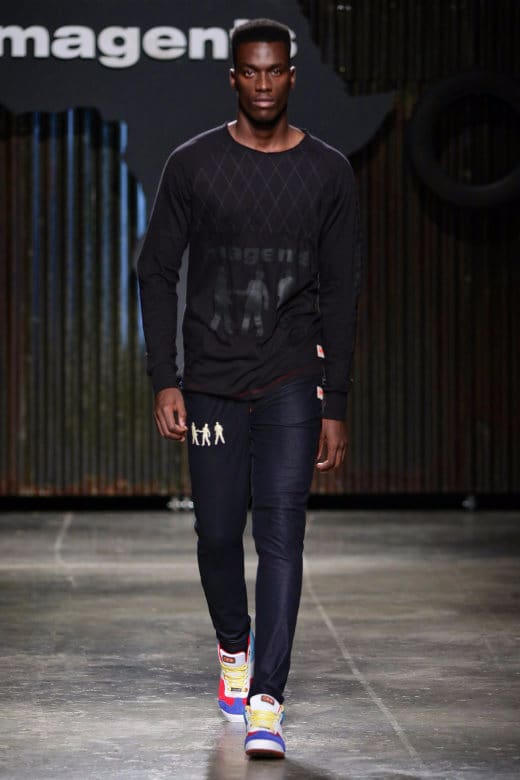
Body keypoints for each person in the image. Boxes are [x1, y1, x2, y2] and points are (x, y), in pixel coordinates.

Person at [137, 18, 362, 759]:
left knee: (282, 532)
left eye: (274, 71)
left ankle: (268, 698)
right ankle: (233, 646)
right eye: (250, 71)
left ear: (292, 75)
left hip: (293, 377)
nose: (263, 84)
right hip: (209, 381)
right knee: (215, 532)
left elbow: (342, 290)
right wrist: (164, 377)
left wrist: (336, 400)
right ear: (233, 77)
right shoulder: (194, 164)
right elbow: (156, 270)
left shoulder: (328, 172)